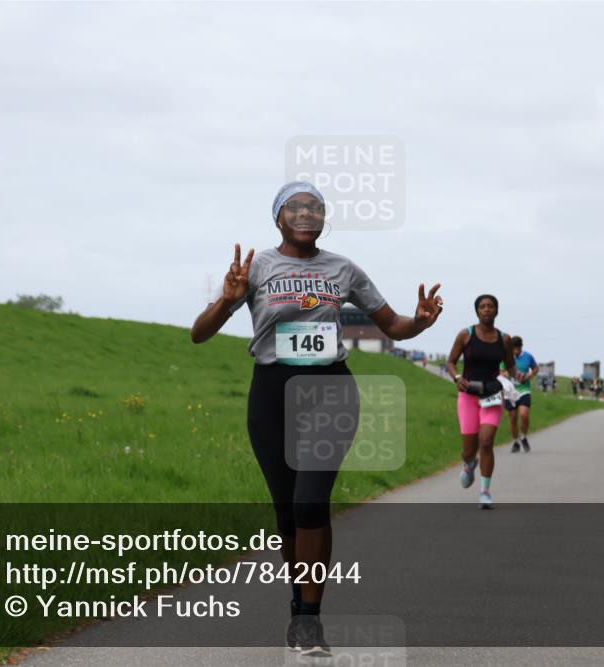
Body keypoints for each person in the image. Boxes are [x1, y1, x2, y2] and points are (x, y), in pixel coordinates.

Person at [190, 181, 442, 658]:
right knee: (287, 513)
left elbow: (394, 326)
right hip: (271, 394)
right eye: (296, 206)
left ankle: (309, 619)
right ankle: (298, 600)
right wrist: (227, 299)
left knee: (310, 504)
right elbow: (199, 335)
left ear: (324, 218)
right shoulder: (259, 266)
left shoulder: (343, 269)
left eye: (316, 207)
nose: (306, 213)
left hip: (330, 390)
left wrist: (420, 322)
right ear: (278, 217)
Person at [445, 295, 515, 510]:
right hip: (468, 396)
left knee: (486, 442)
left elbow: (511, 366)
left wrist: (513, 376)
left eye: (490, 306)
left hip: (492, 396)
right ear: (477, 311)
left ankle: (485, 491)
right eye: (483, 307)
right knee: (468, 450)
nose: (487, 310)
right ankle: (469, 463)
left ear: (496, 311)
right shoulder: (466, 334)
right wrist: (457, 378)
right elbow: (451, 362)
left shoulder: (504, 339)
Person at [501, 336, 539, 453]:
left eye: (517, 349)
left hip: (524, 390)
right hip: (510, 392)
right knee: (513, 419)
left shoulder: (528, 356)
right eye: (513, 349)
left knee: (524, 415)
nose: (515, 352)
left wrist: (528, 376)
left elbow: (536, 368)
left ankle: (523, 436)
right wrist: (510, 374)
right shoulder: (505, 357)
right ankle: (516, 441)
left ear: (521, 347)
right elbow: (501, 372)